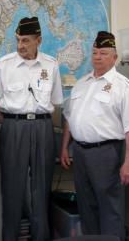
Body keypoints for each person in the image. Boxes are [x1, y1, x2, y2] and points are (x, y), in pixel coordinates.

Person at [0, 16, 63, 241]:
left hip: (43, 127)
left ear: (38, 40)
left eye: (26, 41)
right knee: (12, 189)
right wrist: (13, 122)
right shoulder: (5, 64)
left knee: (41, 189)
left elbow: (57, 100)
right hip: (13, 127)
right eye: (18, 40)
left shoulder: (51, 65)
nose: (20, 46)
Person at [60, 31, 129, 241]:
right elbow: (70, 119)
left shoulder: (122, 86)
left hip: (106, 153)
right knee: (86, 206)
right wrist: (65, 148)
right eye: (95, 52)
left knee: (110, 208)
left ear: (115, 57)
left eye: (103, 53)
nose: (97, 56)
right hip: (80, 153)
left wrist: (128, 163)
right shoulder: (82, 83)